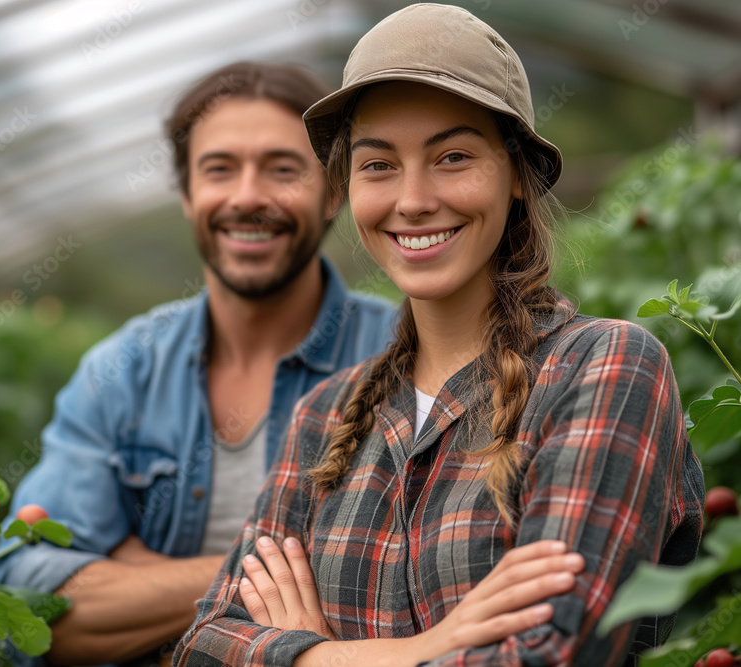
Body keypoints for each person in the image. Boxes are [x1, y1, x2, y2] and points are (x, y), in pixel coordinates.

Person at [174, 5, 706, 666]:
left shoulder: (604, 368)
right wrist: (427, 648)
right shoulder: (326, 416)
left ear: (517, 174)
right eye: (379, 165)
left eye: (452, 156)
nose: (414, 198)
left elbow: (545, 655)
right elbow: (201, 645)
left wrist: (307, 653)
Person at [0, 62, 403, 667]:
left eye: (282, 169)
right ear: (187, 194)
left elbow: (424, 592)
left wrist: (135, 572)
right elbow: (28, 603)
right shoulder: (123, 371)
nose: (246, 197)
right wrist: (289, 574)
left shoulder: (404, 354)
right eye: (219, 169)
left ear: (332, 192)